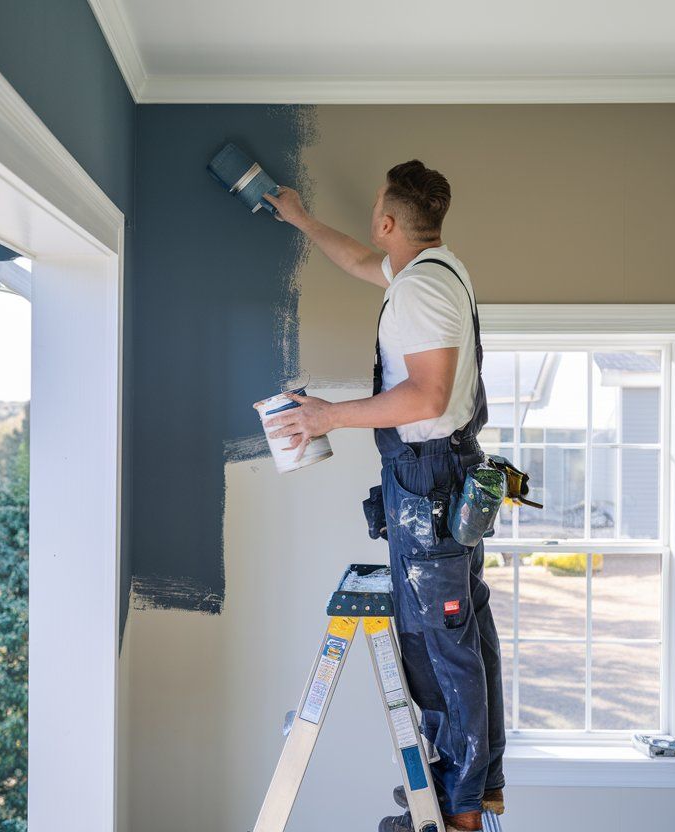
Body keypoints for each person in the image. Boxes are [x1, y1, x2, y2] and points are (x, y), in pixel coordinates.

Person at [262, 161, 505, 832]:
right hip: (432, 474)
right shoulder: (431, 270)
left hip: (428, 477)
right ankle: (473, 792)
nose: (373, 221)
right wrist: (302, 219)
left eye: (376, 209)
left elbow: (427, 395)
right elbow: (365, 260)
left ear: (390, 218)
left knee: (438, 638)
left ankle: (457, 813)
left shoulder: (423, 292)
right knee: (458, 628)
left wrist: (327, 416)